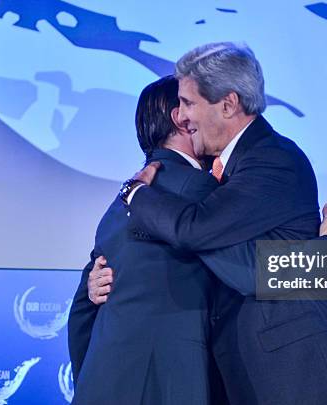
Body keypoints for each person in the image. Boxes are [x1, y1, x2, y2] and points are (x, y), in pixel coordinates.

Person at [118, 42, 327, 405]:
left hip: (298, 381)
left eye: (188, 103)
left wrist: (135, 194)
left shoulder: (272, 160)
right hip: (245, 378)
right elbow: (243, 262)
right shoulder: (222, 169)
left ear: (228, 104)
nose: (182, 117)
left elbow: (196, 231)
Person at [68, 76, 224, 404]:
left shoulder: (121, 202)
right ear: (181, 118)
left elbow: (82, 312)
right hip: (167, 386)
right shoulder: (200, 193)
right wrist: (322, 262)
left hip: (102, 383)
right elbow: (248, 268)